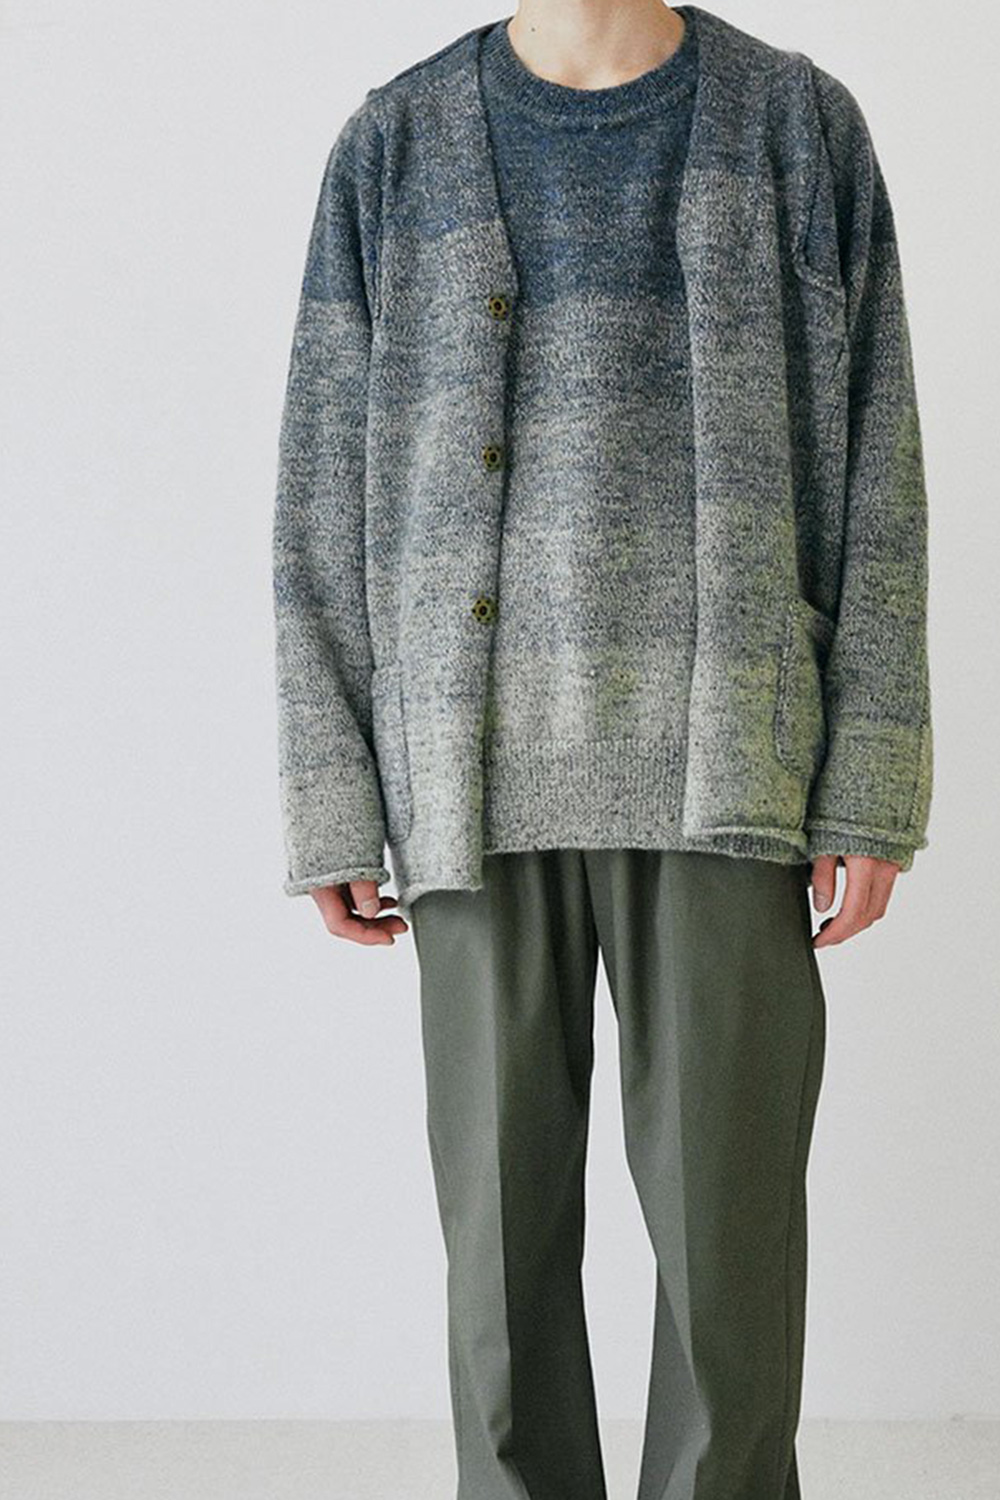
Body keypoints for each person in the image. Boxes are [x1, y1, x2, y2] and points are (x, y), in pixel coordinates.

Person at [271, 2, 933, 1495]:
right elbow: (320, 489)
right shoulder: (397, 143)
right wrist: (332, 792)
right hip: (468, 788)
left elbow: (879, 472)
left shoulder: (794, 127)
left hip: (732, 777)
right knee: (498, 1279)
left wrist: (871, 776)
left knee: (729, 1268)